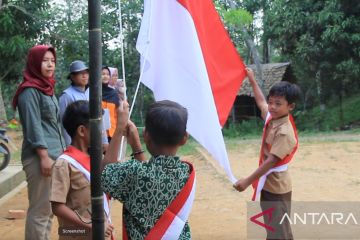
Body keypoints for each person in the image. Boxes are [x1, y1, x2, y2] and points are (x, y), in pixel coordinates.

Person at [101, 100, 195, 239]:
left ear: (146, 136)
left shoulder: (133, 172)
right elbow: (149, 175)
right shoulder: (186, 171)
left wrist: (119, 127)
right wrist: (136, 147)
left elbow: (104, 173)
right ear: (184, 138)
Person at [233, 68, 301, 240]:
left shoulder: (285, 132)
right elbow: (261, 101)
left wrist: (247, 181)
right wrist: (252, 79)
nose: (271, 107)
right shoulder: (273, 118)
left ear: (290, 106)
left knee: (279, 231)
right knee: (275, 228)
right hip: (269, 185)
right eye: (271, 102)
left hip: (277, 188)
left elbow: (271, 161)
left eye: (278, 103)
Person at [50, 100, 127, 239]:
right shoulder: (64, 164)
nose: (102, 131)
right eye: (98, 126)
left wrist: (120, 128)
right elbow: (57, 207)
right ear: (81, 131)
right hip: (75, 234)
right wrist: (92, 226)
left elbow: (109, 166)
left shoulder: (93, 158)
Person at [12, 45, 66, 240]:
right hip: (40, 158)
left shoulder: (48, 89)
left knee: (49, 209)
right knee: (40, 211)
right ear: (35, 62)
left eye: (52, 60)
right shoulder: (29, 91)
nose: (50, 64)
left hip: (55, 155)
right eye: (45, 60)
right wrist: (44, 156)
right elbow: (33, 125)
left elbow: (55, 126)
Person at [59, 60, 90, 146]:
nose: (84, 76)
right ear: (72, 77)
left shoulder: (91, 93)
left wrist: (103, 140)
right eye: (80, 73)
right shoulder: (66, 96)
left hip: (91, 140)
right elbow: (64, 123)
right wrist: (70, 146)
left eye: (86, 72)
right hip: (77, 142)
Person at [101, 66, 120, 142]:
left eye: (108, 74)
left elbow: (116, 114)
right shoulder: (92, 92)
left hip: (112, 133)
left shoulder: (114, 93)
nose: (105, 76)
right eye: (103, 74)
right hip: (99, 134)